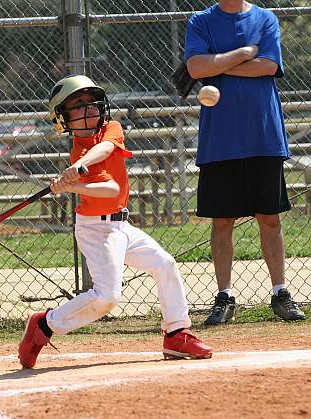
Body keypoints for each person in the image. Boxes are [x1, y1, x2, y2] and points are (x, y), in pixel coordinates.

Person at [18, 75, 213, 368]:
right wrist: (72, 184)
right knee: (107, 298)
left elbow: (106, 152)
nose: (90, 108)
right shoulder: (79, 150)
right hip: (96, 229)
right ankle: (45, 324)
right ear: (64, 118)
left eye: (92, 101)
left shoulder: (110, 129)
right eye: (78, 104)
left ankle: (176, 333)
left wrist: (76, 172)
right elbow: (108, 191)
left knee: (164, 264)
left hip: (121, 225)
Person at [184, 0, 305, 324]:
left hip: (262, 133)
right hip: (220, 139)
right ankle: (225, 297)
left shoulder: (265, 19)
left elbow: (267, 66)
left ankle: (280, 292)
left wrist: (218, 64)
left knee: (270, 218)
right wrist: (242, 54)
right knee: (222, 221)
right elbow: (195, 69)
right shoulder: (201, 21)